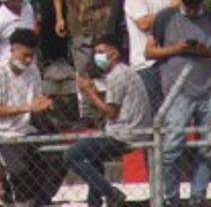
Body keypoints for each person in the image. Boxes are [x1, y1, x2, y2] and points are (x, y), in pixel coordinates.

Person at [147, 0, 211, 205]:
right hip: (176, 90)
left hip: (209, 88)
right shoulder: (165, 18)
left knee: (207, 148)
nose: (192, 11)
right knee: (172, 146)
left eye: (196, 6)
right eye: (188, 5)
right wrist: (176, 49)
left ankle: (197, 197)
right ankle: (171, 199)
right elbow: (149, 52)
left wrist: (206, 50)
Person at [64, 34, 151, 207]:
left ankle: (111, 193)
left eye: (102, 52)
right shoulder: (126, 71)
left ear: (115, 53)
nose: (98, 56)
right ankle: (94, 203)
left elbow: (111, 112)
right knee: (92, 158)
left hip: (122, 134)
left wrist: (89, 92)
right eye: (96, 52)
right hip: (131, 130)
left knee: (71, 155)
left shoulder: (116, 75)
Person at [0, 29, 64, 206]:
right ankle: (21, 200)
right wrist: (28, 107)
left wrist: (44, 104)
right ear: (12, 49)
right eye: (24, 55)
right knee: (20, 170)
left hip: (27, 129)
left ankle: (40, 201)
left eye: (31, 56)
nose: (27, 60)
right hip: (2, 132)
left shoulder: (33, 70)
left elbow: (36, 101)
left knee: (59, 159)